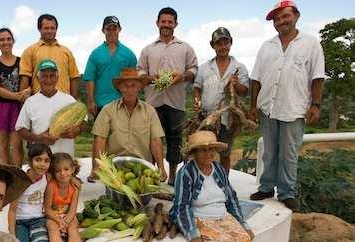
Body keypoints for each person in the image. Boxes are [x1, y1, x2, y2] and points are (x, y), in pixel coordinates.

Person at [249, 0, 325, 210]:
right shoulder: (267, 46)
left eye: (285, 16)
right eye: (277, 18)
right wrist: (253, 106)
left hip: (294, 108)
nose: (281, 21)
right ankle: (266, 188)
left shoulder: (311, 44)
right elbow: (256, 79)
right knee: (269, 152)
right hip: (268, 108)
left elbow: (317, 77)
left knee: (288, 153)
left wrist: (316, 105)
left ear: (296, 16)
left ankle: (286, 192)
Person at [138, 7, 198, 186]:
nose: (166, 25)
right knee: (152, 140)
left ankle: (172, 176)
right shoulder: (148, 49)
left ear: (175, 24)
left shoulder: (185, 48)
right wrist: (150, 78)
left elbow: (194, 69)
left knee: (174, 140)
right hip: (153, 102)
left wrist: (182, 76)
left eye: (170, 22)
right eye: (163, 22)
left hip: (175, 102)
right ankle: (154, 177)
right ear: (157, 23)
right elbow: (140, 70)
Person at [90, 68, 167, 182]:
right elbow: (100, 139)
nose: (130, 90)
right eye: (125, 86)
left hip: (143, 167)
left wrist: (161, 168)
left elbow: (156, 140)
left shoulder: (150, 111)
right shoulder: (108, 110)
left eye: (133, 85)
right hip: (114, 168)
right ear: (119, 88)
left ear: (139, 87)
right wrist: (96, 167)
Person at [193, 27, 249, 173]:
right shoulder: (204, 68)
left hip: (227, 118)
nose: (223, 47)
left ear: (231, 43)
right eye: (219, 44)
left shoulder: (239, 67)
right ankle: (203, 180)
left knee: (225, 153)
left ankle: (223, 183)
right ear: (213, 45)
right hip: (207, 118)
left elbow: (244, 92)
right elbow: (197, 88)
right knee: (203, 151)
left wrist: (236, 85)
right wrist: (197, 101)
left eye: (226, 43)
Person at [15, 59, 86, 157]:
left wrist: (77, 130)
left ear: (57, 77)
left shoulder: (69, 100)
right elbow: (20, 129)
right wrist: (38, 138)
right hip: (41, 161)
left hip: (65, 162)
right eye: (44, 76)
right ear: (37, 78)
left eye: (52, 76)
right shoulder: (30, 102)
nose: (48, 80)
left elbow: (84, 121)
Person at [0, 28, 32, 165]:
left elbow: (31, 82)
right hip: (1, 107)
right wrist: (17, 96)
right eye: (2, 39)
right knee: (4, 144)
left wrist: (27, 92)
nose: (5, 42)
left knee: (17, 144)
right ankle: (6, 175)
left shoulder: (22, 61)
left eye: (8, 39)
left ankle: (18, 174)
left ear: (13, 41)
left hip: (18, 108)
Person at [83, 15, 137, 116]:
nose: (112, 31)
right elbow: (90, 79)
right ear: (103, 30)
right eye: (108, 29)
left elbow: (134, 81)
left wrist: (132, 101)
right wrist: (90, 101)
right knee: (101, 132)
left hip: (123, 103)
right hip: (100, 104)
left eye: (114, 28)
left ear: (119, 29)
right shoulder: (95, 53)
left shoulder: (129, 54)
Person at [20, 14, 80, 99]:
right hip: (39, 101)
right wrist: (23, 102)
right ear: (39, 29)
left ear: (56, 29)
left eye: (52, 28)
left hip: (63, 103)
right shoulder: (29, 51)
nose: (50, 31)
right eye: (46, 28)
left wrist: (73, 101)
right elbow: (25, 78)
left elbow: (73, 77)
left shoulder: (66, 52)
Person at [44, 153, 83, 242]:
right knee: (52, 228)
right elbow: (48, 209)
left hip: (68, 217)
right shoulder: (51, 186)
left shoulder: (75, 188)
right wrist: (58, 221)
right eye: (58, 170)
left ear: (72, 170)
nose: (62, 173)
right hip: (53, 217)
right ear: (53, 173)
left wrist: (66, 221)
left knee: (74, 227)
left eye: (66, 169)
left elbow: (73, 210)